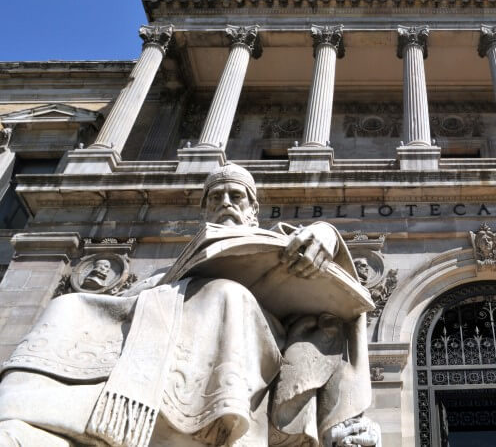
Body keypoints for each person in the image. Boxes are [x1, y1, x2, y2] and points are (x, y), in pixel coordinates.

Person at [0, 163, 376, 447]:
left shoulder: (278, 238)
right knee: (68, 307)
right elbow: (133, 299)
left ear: (253, 209)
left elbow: (338, 287)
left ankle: (207, 424)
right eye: (216, 197)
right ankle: (39, 409)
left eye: (236, 196)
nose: (226, 202)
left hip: (256, 335)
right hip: (172, 323)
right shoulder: (175, 265)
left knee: (226, 294)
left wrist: (325, 234)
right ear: (204, 211)